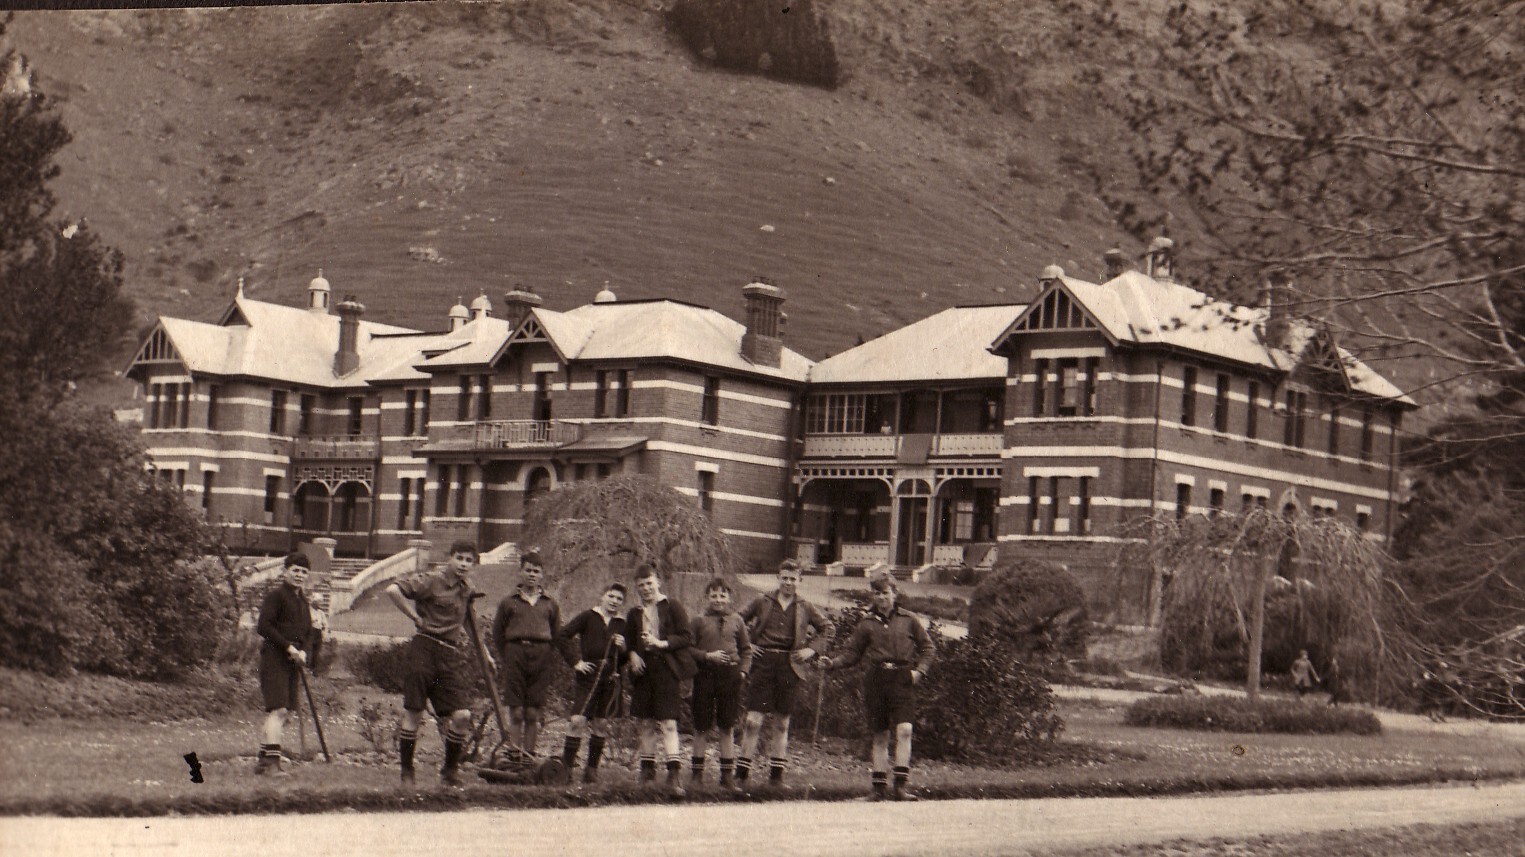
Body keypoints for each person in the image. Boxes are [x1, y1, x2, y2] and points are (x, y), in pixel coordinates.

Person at [822, 572, 935, 801]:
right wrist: (831, 663)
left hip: (903, 677)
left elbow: (928, 648)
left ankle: (900, 787)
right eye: (876, 593)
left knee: (905, 730)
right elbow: (852, 653)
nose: (881, 597)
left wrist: (919, 672)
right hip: (876, 678)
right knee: (880, 734)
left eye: (885, 592)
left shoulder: (909, 619)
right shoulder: (867, 624)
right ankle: (879, 789)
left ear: (894, 592)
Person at [386, 540, 480, 787]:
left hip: (449, 655)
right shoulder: (431, 580)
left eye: (469, 560)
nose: (463, 564)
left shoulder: (467, 588)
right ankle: (407, 772)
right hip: (424, 649)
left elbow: (469, 620)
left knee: (462, 715)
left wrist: (487, 653)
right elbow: (393, 590)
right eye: (459, 558)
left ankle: (449, 771)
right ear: (450, 558)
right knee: (414, 712)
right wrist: (415, 616)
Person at [735, 558, 835, 791]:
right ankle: (741, 775)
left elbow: (828, 629)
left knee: (782, 723)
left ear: (799, 580)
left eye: (793, 579)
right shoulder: (763, 600)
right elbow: (737, 620)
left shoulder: (805, 606)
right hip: (763, 662)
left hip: (790, 664)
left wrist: (812, 649)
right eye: (784, 578)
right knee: (752, 721)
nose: (788, 583)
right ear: (777, 578)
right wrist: (748, 644)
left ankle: (776, 778)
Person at [625, 564, 695, 798]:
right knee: (645, 723)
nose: (645, 589)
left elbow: (687, 637)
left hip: (667, 669)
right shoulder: (634, 613)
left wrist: (661, 643)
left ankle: (673, 774)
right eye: (641, 585)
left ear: (658, 582)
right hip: (644, 671)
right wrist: (632, 654)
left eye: (649, 583)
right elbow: (629, 642)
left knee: (668, 723)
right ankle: (647, 774)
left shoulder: (672, 606)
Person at [556, 582, 628, 783]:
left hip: (611, 678)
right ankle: (566, 769)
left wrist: (622, 648)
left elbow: (624, 659)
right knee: (577, 720)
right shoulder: (588, 616)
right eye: (611, 596)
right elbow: (562, 635)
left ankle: (591, 771)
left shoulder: (622, 624)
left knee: (601, 723)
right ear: (602, 596)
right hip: (588, 676)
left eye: (619, 599)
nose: (614, 601)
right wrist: (576, 662)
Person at [490, 549, 561, 755]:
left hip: (541, 656)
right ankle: (514, 755)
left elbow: (556, 635)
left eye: (536, 571)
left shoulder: (550, 603)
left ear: (541, 575)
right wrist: (509, 655)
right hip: (515, 654)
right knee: (517, 711)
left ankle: (528, 756)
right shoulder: (508, 602)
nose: (532, 574)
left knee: (532, 712)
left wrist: (545, 655)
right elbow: (498, 634)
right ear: (520, 572)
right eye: (528, 570)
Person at [689, 576, 752, 790]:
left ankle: (727, 777)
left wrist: (742, 672)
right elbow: (688, 649)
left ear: (729, 597)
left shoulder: (737, 620)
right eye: (714, 595)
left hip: (729, 676)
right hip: (704, 675)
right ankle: (697, 776)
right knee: (701, 726)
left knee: (727, 726)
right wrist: (707, 656)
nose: (718, 599)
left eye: (722, 595)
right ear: (707, 597)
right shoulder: (698, 620)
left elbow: (746, 650)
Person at [254, 552, 314, 775]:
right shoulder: (276, 596)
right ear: (285, 571)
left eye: (304, 572)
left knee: (285, 712)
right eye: (295, 570)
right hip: (274, 659)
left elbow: (308, 632)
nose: (299, 575)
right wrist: (289, 647)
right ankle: (271, 765)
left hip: (293, 662)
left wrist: (304, 652)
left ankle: (263, 760)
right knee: (278, 709)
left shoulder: (302, 601)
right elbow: (264, 627)